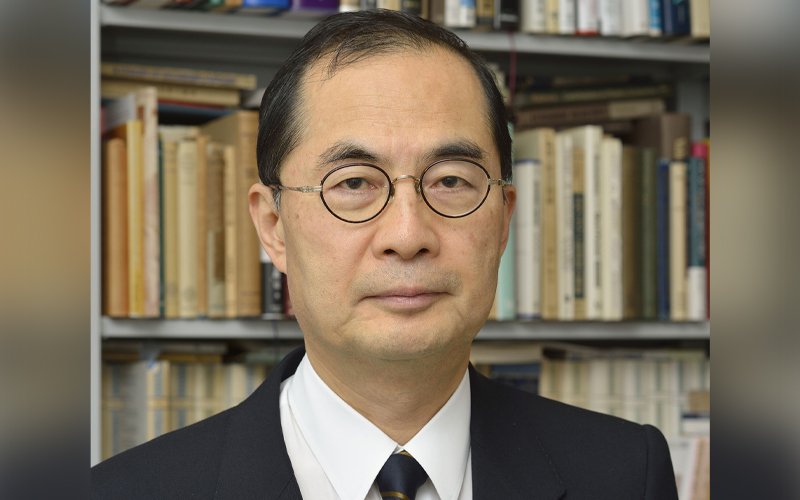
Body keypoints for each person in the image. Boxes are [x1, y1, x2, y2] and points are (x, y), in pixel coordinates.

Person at [92, 10, 678, 499]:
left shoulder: (627, 474)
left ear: (503, 219)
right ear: (273, 227)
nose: (407, 233)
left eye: (451, 180)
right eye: (352, 183)